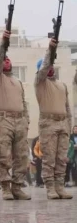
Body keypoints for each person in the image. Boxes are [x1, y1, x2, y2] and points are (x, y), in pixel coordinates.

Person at [0, 30, 31, 200]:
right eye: (4, 60)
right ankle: (5, 187)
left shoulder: (18, 82)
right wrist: (3, 42)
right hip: (4, 119)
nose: (6, 61)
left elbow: (23, 102)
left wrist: (26, 120)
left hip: (20, 119)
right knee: (4, 155)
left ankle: (17, 187)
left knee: (21, 156)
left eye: (8, 59)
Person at [34, 39, 72, 199]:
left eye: (51, 65)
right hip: (48, 123)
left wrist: (69, 126)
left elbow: (68, 108)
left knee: (61, 158)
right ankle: (50, 187)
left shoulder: (62, 85)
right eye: (46, 66)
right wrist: (51, 49)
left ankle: (59, 186)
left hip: (63, 122)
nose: (50, 68)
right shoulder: (40, 83)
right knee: (49, 157)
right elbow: (43, 70)